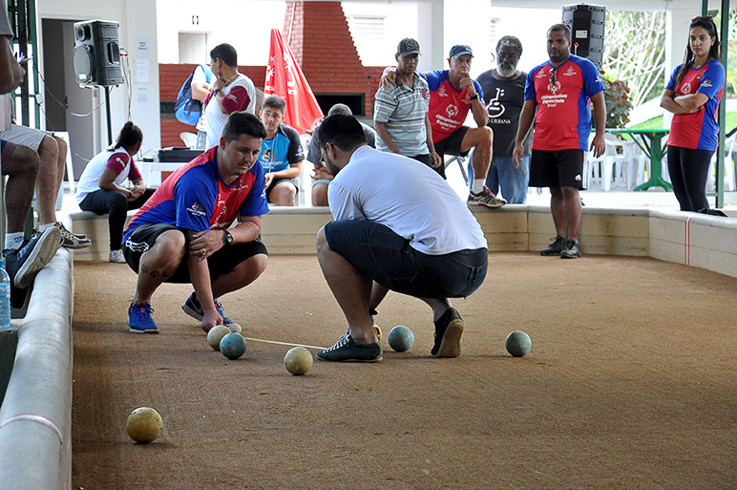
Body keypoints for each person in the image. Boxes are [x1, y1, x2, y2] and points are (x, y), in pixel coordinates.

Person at [314, 114, 488, 362]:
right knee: (416, 242)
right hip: (477, 265)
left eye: (322, 153)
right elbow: (380, 250)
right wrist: (368, 309)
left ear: (330, 149)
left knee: (328, 237)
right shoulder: (403, 163)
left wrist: (365, 318)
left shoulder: (343, 181)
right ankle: (443, 312)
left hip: (436, 264)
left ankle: (360, 338)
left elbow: (358, 258)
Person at [122, 112, 269, 334]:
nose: (249, 159)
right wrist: (212, 310)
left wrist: (225, 236)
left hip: (196, 244)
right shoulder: (197, 179)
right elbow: (196, 248)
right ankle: (140, 303)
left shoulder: (253, 171)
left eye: (255, 152)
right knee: (174, 240)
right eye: (243, 150)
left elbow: (253, 225)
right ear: (223, 143)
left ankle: (198, 303)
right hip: (146, 244)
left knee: (257, 258)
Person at [513, 24, 606, 259]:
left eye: (559, 41)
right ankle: (561, 238)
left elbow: (599, 100)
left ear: (569, 43)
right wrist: (519, 142)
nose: (554, 46)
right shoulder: (536, 72)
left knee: (569, 188)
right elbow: (528, 109)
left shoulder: (584, 66)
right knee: (554, 190)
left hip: (573, 140)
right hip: (543, 141)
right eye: (550, 42)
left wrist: (600, 134)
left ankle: (573, 241)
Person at [1, 0, 61, 308]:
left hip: (4, 125)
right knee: (26, 161)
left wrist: (15, 70)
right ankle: (12, 251)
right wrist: (18, 73)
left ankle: (47, 227)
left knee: (53, 145)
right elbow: (7, 78)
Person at [660, 16, 725, 214]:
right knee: (682, 198)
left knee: (696, 198)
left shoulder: (714, 69)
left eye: (702, 38)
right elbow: (663, 101)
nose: (696, 43)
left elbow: (697, 101)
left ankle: (711, 238)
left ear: (712, 40)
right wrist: (685, 101)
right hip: (676, 138)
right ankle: (687, 244)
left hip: (699, 139)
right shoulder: (681, 69)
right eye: (693, 38)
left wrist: (677, 98)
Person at [1, 124, 91, 249]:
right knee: (48, 146)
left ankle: (47, 224)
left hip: (4, 126)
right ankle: (43, 229)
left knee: (61, 144)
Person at [76, 122, 155, 263]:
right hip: (88, 197)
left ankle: (152, 240)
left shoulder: (127, 157)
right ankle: (115, 251)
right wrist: (127, 193)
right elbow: (103, 183)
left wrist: (139, 189)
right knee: (118, 198)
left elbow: (139, 180)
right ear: (138, 146)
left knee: (154, 194)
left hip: (105, 195)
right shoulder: (119, 156)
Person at [474, 35, 532, 204]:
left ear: (519, 57)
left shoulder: (527, 81)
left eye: (511, 55)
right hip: (484, 153)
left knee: (515, 204)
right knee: (479, 203)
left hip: (514, 155)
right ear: (496, 54)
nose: (506, 59)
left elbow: (534, 115)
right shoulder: (483, 79)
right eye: (502, 54)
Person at [373, 38, 441, 171]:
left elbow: (424, 118)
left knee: (426, 189)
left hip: (420, 152)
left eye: (414, 57)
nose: (411, 61)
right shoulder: (388, 88)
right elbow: (378, 124)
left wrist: (432, 150)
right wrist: (396, 153)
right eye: (406, 57)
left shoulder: (423, 85)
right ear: (397, 57)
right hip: (394, 154)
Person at [307, 103, 376, 207]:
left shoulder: (368, 134)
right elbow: (318, 168)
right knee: (319, 193)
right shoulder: (319, 131)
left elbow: (368, 170)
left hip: (360, 179)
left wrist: (330, 176)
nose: (338, 130)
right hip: (335, 176)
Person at [203, 43, 257, 149]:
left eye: (211, 63)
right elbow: (205, 105)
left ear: (218, 61)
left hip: (232, 155)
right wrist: (217, 89)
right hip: (214, 154)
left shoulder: (243, 84)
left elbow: (227, 108)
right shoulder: (221, 85)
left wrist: (218, 90)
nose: (210, 67)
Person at [257, 95, 305, 206]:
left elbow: (297, 170)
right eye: (267, 114)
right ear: (260, 114)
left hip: (280, 179)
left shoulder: (290, 134)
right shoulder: (250, 133)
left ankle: (287, 224)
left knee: (287, 191)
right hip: (255, 178)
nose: (270, 119)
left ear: (282, 118)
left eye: (275, 116)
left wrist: (274, 175)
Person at [191, 64, 213, 150]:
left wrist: (210, 89)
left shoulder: (236, 77)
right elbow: (196, 93)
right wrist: (222, 96)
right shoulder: (204, 70)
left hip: (228, 132)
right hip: (206, 131)